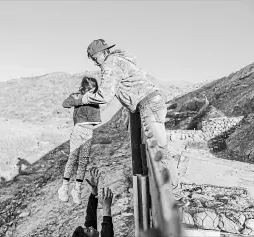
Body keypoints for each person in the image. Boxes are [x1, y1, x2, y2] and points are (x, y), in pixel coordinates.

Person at [66, 39, 189, 207]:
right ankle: (173, 193)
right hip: (153, 102)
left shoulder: (110, 64)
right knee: (159, 151)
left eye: (94, 57)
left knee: (159, 153)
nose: (95, 61)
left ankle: (175, 197)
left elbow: (105, 95)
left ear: (102, 53)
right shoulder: (122, 60)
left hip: (147, 106)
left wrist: (82, 99)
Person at [58, 77, 106, 204]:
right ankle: (64, 187)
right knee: (73, 157)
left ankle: (77, 189)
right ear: (84, 88)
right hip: (78, 130)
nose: (92, 91)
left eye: (94, 89)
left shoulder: (96, 97)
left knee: (83, 161)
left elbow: (106, 97)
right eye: (90, 89)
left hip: (89, 132)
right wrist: (81, 100)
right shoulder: (78, 96)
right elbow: (65, 103)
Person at [72, 167, 114, 237]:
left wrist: (94, 191)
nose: (91, 227)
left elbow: (90, 215)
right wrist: (106, 207)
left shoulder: (90, 233)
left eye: (87, 228)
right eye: (88, 230)